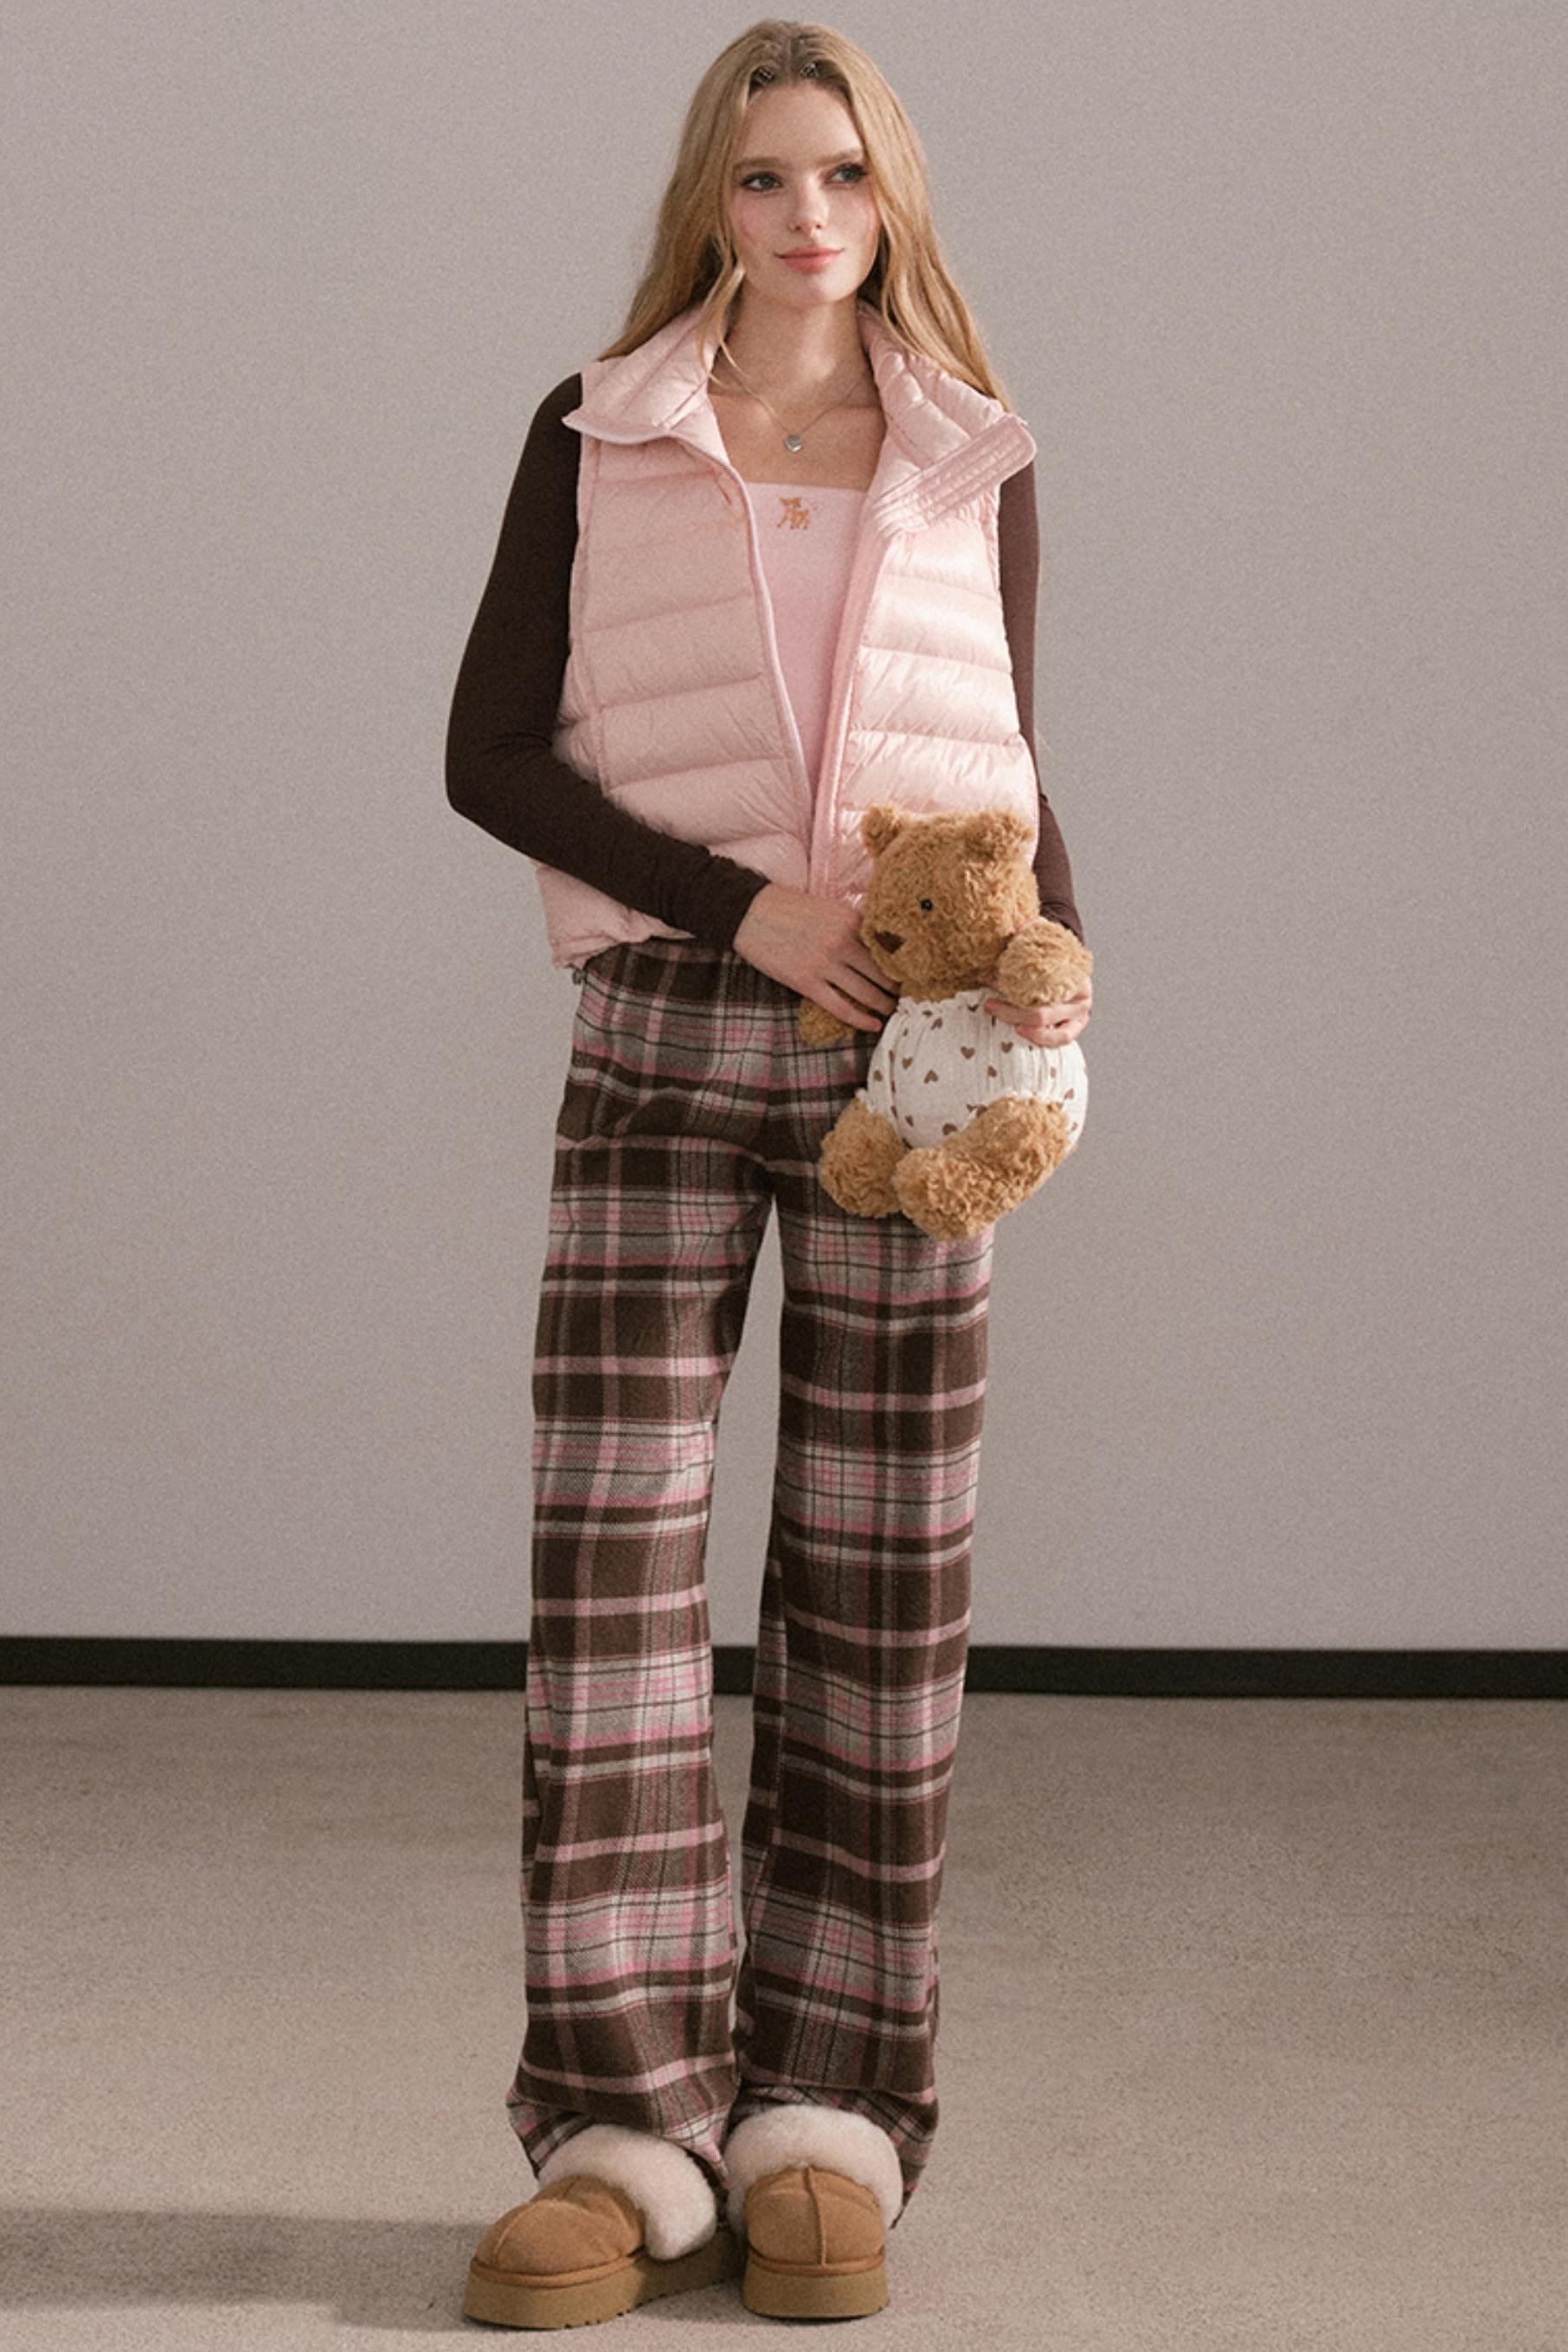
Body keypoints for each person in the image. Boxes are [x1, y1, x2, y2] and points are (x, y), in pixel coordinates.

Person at [446, 19, 1092, 2330]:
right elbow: (490, 753)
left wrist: (1059, 956)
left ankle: (831, 2110)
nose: (805, 216)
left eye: (840, 174)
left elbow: (1003, 752)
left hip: (920, 1062)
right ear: (704, 204)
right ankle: (624, 2127)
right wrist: (745, 914)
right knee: (614, 1573)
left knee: (882, 1574)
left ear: (888, 194)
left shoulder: (970, 446)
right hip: (666, 1025)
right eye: (759, 178)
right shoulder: (598, 427)